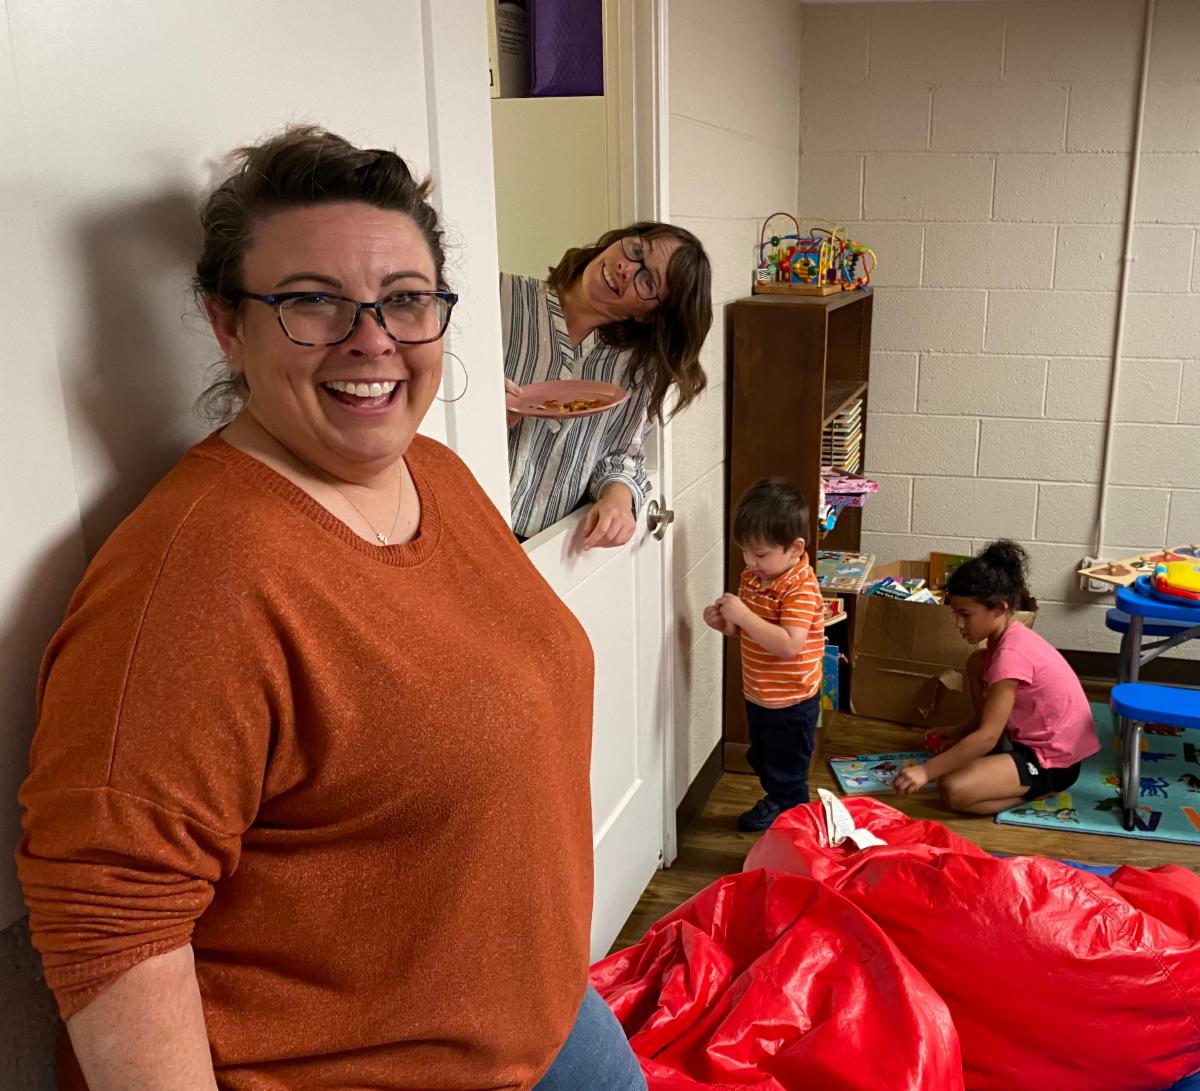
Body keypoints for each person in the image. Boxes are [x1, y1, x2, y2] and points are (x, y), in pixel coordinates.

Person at [16, 126, 646, 1091]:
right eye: (313, 300)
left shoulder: (438, 472)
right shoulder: (194, 573)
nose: (373, 339)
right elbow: (109, 918)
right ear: (228, 324)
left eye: (406, 299)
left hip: (543, 1020)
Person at [502, 222, 712, 547]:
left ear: (649, 315)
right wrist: (477, 406)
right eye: (637, 250)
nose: (626, 268)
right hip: (463, 520)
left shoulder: (638, 367)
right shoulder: (503, 297)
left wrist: (619, 495)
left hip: (553, 548)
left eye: (648, 281)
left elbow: (622, 454)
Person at [893, 540, 1100, 813]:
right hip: (1030, 741)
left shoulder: (1010, 656)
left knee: (953, 788)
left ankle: (1040, 788)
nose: (958, 624)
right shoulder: (1006, 638)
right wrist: (960, 730)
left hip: (1053, 761)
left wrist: (925, 771)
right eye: (955, 614)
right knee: (977, 662)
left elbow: (987, 738)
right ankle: (1002, 766)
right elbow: (989, 722)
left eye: (966, 615)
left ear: (1000, 609)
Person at [703, 479, 825, 832]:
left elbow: (788, 644)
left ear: (795, 548)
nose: (749, 561)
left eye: (760, 554)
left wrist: (743, 616)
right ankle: (778, 798)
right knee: (763, 757)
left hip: (791, 701)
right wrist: (728, 625)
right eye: (745, 551)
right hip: (760, 693)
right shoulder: (754, 577)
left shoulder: (800, 589)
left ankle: (796, 823)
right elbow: (753, 630)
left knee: (788, 769)